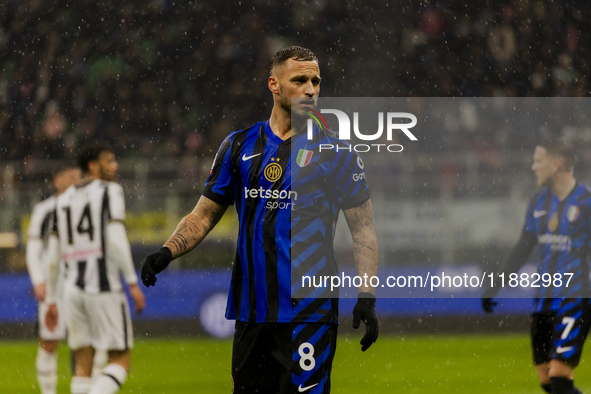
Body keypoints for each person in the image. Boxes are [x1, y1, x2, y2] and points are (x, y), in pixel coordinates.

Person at [140, 46, 379, 393]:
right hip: (251, 312)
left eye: (316, 81)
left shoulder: (337, 153)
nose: (310, 89)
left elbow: (363, 229)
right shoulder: (238, 146)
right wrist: (166, 251)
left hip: (309, 312)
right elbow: (204, 213)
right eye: (300, 80)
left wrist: (367, 295)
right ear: (274, 85)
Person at [482, 136, 591, 394]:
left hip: (574, 299)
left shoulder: (586, 203)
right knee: (547, 381)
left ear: (556, 164)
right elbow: (524, 246)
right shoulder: (538, 202)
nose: (533, 167)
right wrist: (494, 285)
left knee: (559, 377)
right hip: (543, 300)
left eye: (538, 161)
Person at [45, 144, 146, 394]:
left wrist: (51, 299)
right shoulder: (110, 191)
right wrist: (132, 282)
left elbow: (53, 255)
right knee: (120, 360)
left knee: (83, 363)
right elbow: (115, 237)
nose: (115, 166)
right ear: (93, 165)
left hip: (72, 290)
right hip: (104, 286)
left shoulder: (63, 198)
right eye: (109, 161)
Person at [26, 164, 80, 394]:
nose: (75, 180)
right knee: (49, 341)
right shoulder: (44, 209)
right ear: (57, 180)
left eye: (78, 175)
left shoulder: (86, 206)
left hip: (82, 281)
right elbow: (34, 247)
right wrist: (38, 280)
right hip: (54, 284)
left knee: (85, 343)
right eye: (69, 176)